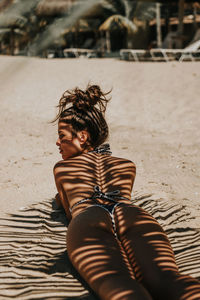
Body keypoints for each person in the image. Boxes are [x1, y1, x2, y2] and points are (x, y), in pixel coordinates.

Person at [53, 84, 200, 300]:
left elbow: (69, 212)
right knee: (167, 279)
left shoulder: (62, 168)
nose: (57, 142)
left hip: (89, 215)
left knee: (119, 283)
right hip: (130, 213)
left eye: (61, 135)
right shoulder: (127, 165)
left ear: (82, 137)